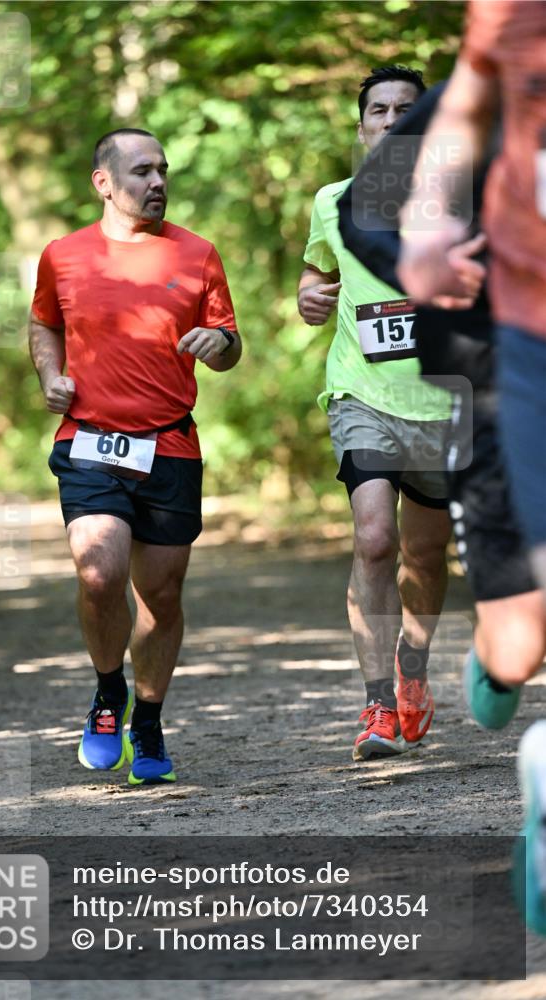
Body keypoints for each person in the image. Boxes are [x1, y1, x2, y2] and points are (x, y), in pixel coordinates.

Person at [29, 128, 241, 786]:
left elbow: (230, 343)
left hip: (169, 444)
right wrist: (49, 375)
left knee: (162, 596)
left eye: (162, 171)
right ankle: (105, 693)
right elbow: (43, 323)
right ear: (103, 182)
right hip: (88, 440)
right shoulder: (62, 256)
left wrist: (218, 344)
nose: (157, 183)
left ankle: (146, 719)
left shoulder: (198, 253)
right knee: (98, 572)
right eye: (142, 171)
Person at [336, 81, 546, 734]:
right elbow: (361, 210)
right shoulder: (466, 100)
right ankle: (499, 654)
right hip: (486, 375)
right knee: (516, 641)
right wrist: (416, 265)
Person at [298, 66, 453, 762]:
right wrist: (310, 295)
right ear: (360, 127)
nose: (390, 120)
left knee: (424, 554)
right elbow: (316, 271)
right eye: (377, 110)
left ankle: (412, 668)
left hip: (445, 403)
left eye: (405, 111)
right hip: (360, 394)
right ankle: (375, 706)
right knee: (372, 541)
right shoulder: (331, 202)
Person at [397, 1, 546, 600]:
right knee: (517, 628)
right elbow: (463, 107)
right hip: (521, 326)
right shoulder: (509, 10)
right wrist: (428, 236)